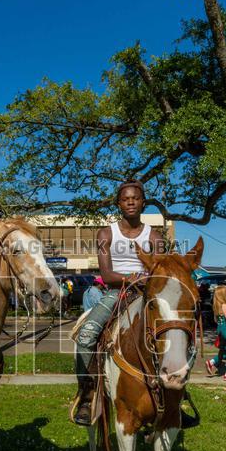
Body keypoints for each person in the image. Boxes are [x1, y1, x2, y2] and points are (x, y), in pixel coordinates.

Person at [72, 179, 166, 426]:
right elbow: (106, 274)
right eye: (126, 199)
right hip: (117, 293)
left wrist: (147, 280)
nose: (131, 202)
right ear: (119, 204)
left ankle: (176, 394)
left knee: (173, 333)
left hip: (147, 296)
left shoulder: (155, 236)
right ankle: (88, 393)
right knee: (87, 335)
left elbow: (158, 271)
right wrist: (132, 278)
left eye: (135, 198)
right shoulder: (106, 233)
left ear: (143, 202)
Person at [205, 285, 226, 381]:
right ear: (222, 294)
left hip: (221, 330)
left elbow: (215, 320)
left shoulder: (216, 306)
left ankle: (211, 362)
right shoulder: (224, 305)